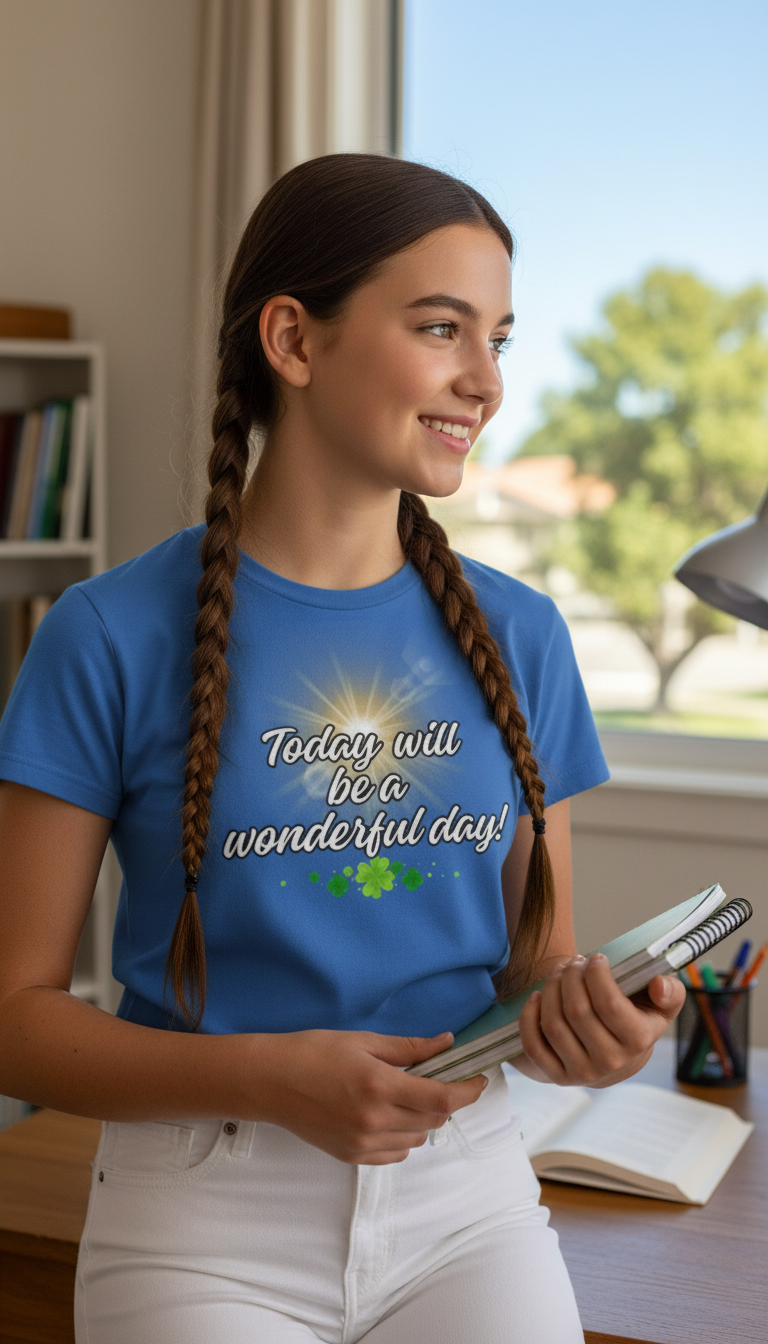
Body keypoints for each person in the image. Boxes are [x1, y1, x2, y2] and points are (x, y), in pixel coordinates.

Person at [0, 153, 684, 1343]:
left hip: (467, 1203)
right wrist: (267, 1079)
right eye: (441, 328)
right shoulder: (106, 634)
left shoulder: (522, 635)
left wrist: (589, 1031)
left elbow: (535, 968)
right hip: (202, 1215)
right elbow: (16, 1016)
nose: (485, 383)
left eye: (499, 341)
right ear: (294, 339)